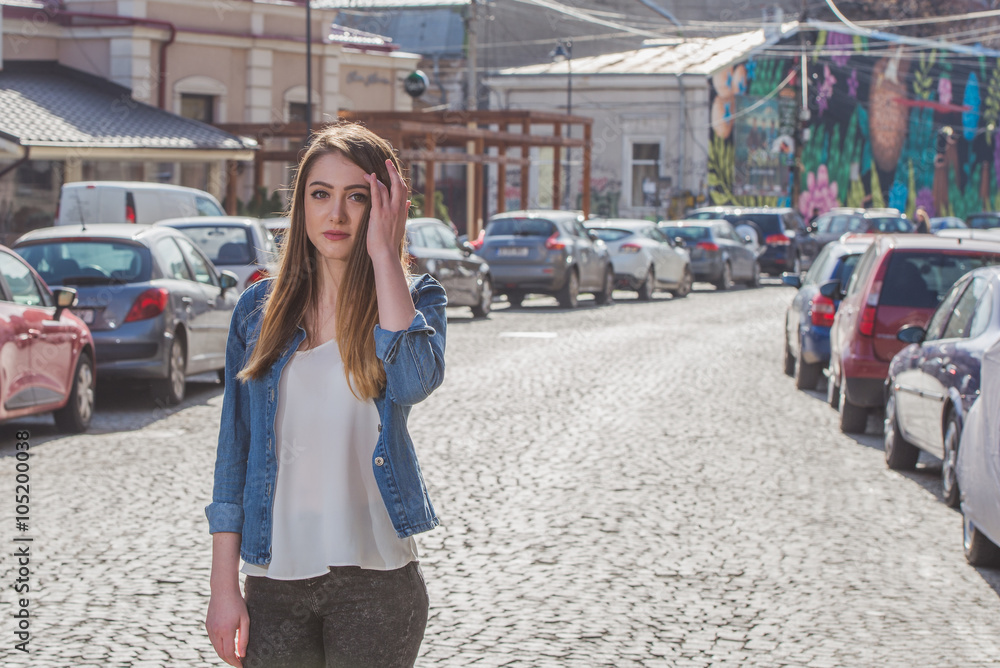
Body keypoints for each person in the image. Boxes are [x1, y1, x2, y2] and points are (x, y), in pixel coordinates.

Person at [204, 122, 446, 668]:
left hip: (377, 582)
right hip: (274, 580)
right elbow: (233, 453)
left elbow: (414, 381)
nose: (335, 215)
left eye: (356, 197)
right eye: (320, 194)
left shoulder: (415, 301)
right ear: (300, 205)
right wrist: (224, 588)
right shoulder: (257, 311)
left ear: (384, 206)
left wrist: (386, 256)